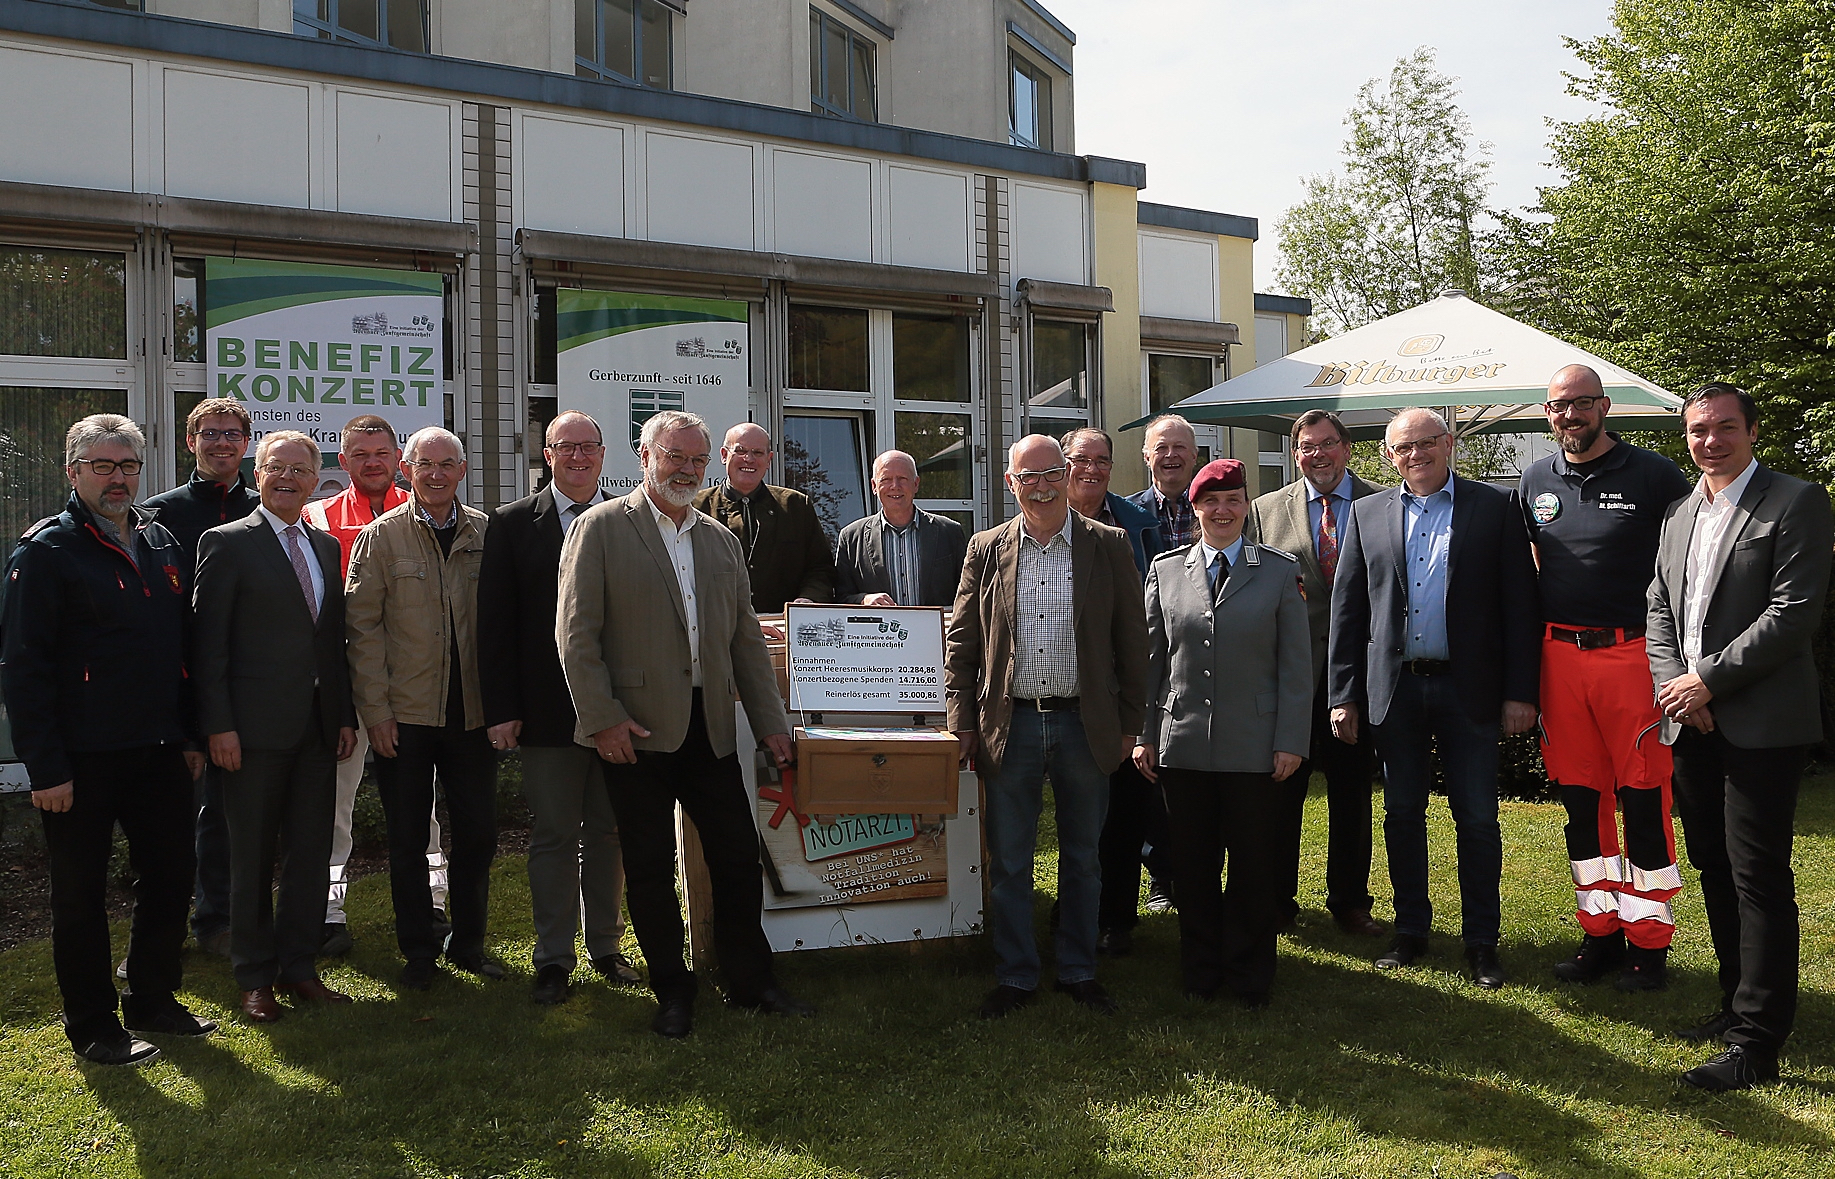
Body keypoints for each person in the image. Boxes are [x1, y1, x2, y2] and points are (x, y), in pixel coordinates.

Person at [558, 409, 813, 1038]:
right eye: (675, 456)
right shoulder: (600, 528)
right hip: (635, 733)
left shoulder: (718, 539)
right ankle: (673, 990)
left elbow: (746, 642)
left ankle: (750, 982)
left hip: (711, 730)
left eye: (698, 460)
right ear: (645, 457)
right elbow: (575, 636)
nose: (687, 469)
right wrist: (604, 722)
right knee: (647, 866)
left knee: (735, 859)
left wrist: (772, 722)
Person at [1, 414, 215, 1065]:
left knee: (172, 875)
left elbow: (181, 653)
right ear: (73, 472)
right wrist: (45, 768)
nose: (117, 477)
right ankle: (93, 1024)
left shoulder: (161, 543)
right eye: (103, 465)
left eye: (127, 465)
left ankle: (152, 997)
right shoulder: (46, 552)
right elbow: (24, 667)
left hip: (158, 750)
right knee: (80, 894)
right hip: (80, 760)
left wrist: (189, 734)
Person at [1646, 382, 1833, 1091]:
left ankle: (1757, 1041)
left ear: (1752, 431)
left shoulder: (1794, 501)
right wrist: (1675, 684)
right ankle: (1732, 1008)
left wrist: (1707, 681)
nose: (1709, 440)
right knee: (1713, 868)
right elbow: (1658, 604)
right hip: (1689, 717)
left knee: (1757, 875)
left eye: (1724, 427)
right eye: (1697, 430)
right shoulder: (1678, 511)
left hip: (1759, 721)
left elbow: (1792, 613)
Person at [1327, 408, 1539, 989]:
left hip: (1468, 688)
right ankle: (1412, 931)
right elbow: (1347, 614)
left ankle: (1481, 943)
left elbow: (1521, 607)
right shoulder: (1367, 515)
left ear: (1447, 445)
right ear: (1388, 455)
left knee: (1476, 817)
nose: (1414, 455)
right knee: (1401, 814)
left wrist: (1521, 692)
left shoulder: (1493, 509)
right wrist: (1343, 694)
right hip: (1395, 691)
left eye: (1424, 443)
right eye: (1402, 447)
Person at [945, 434, 1148, 1020]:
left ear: (1069, 474)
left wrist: (1131, 724)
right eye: (1026, 475)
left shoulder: (1108, 545)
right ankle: (1015, 974)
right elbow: (962, 645)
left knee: (1085, 856)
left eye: (1049, 472)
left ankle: (1080, 969)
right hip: (1011, 726)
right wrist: (962, 722)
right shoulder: (985, 550)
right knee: (1010, 859)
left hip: (1087, 724)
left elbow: (1132, 642)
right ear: (1010, 483)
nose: (1039, 484)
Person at [1518, 365, 1693, 992]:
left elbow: (1688, 567)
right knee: (1581, 799)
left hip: (1633, 657)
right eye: (1559, 406)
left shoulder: (1655, 475)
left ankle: (1649, 943)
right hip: (1559, 658)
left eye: (1582, 404)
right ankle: (1600, 934)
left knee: (1645, 797)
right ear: (1548, 414)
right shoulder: (1534, 479)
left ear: (1604, 406)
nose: (1571, 415)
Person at [193, 431, 357, 1023]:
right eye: (275, 468)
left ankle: (299, 967)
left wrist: (342, 716)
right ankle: (254, 976)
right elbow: (208, 646)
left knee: (311, 854)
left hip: (318, 732)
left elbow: (330, 644)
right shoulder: (227, 543)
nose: (287, 478)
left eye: (300, 469)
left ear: (317, 480)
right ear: (256, 475)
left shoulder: (325, 546)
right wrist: (218, 726)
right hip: (251, 735)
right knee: (252, 857)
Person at [1135, 459, 1311, 1006]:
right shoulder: (1165, 570)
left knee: (1255, 866)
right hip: (1183, 743)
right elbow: (1150, 660)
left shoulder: (1280, 571)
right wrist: (1144, 733)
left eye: (1233, 499)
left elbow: (1296, 668)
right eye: (1211, 502)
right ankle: (1202, 970)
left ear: (1245, 506)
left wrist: (1290, 740)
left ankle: (1250, 972)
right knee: (1192, 866)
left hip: (1255, 745)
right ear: (1195, 509)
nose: (1223, 510)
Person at [479, 410, 640, 1005]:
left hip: (621, 711)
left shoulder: (629, 519)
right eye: (564, 446)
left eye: (588, 447)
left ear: (604, 455)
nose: (577, 456)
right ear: (546, 454)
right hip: (546, 713)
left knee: (609, 832)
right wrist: (502, 708)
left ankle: (605, 946)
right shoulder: (513, 524)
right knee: (551, 835)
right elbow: (494, 627)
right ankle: (552, 956)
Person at [345, 427, 502, 990]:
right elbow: (361, 631)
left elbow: (506, 627)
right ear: (406, 470)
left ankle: (469, 943)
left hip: (474, 717)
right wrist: (376, 712)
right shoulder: (379, 538)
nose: (435, 474)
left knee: (479, 834)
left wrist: (506, 708)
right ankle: (417, 950)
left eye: (447, 464)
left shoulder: (489, 533)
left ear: (462, 471)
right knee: (409, 838)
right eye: (424, 464)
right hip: (404, 719)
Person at [302, 415, 444, 959]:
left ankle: (433, 902)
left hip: (408, 687)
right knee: (334, 806)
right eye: (359, 454)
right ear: (343, 462)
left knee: (421, 808)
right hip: (343, 687)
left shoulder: (427, 513)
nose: (372, 463)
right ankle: (329, 912)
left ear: (398, 460)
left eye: (381, 453)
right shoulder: (318, 517)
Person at [1247, 409, 1385, 938]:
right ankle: (1278, 901)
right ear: (1294, 453)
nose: (1317, 454)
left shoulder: (1381, 504)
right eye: (1306, 446)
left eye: (1328, 443)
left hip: (1358, 676)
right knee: (1281, 794)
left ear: (1346, 448)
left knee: (1352, 795)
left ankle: (1350, 901)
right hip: (1289, 678)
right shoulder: (1265, 510)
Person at [144, 397, 260, 961]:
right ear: (191, 442)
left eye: (232, 434)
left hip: (248, 691)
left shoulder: (269, 511)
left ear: (247, 443)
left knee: (228, 818)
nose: (221, 444)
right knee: (170, 821)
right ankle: (160, 933)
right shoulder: (158, 516)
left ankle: (220, 921)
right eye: (210, 434)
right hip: (176, 690)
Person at [1061, 426, 1166, 956]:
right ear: (1064, 464)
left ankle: (1116, 919)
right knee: (1074, 811)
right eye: (1082, 459)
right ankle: (1073, 907)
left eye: (1102, 460)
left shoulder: (1140, 527)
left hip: (1124, 688)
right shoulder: (1041, 520)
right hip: (1061, 691)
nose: (1093, 469)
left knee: (1125, 809)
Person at [691, 422, 834, 613]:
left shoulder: (795, 506)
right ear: (724, 456)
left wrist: (808, 599)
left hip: (782, 630)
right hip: (718, 630)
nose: (748, 459)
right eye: (740, 451)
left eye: (757, 453)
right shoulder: (695, 508)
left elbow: (821, 568)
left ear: (769, 459)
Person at [832, 449, 968, 608]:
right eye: (886, 479)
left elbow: (967, 592)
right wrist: (864, 599)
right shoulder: (851, 538)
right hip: (879, 632)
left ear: (916, 484)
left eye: (902, 479)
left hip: (936, 631)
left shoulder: (949, 532)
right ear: (874, 486)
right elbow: (840, 598)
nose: (895, 486)